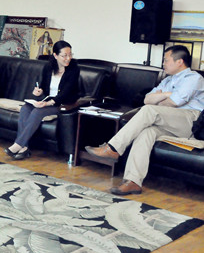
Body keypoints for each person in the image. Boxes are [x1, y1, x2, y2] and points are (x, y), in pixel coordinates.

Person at [85, 45, 204, 195]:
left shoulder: (194, 78)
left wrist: (161, 98)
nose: (163, 63)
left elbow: (174, 102)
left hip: (191, 122)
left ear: (179, 61)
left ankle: (113, 148)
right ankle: (133, 181)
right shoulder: (168, 80)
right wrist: (167, 94)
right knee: (147, 132)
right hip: (169, 121)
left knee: (149, 111)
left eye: (166, 60)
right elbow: (147, 99)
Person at [5, 40, 79, 160]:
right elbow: (44, 87)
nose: (68, 58)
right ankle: (24, 148)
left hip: (62, 104)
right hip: (47, 101)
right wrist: (39, 91)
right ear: (55, 55)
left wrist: (48, 103)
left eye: (70, 54)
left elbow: (66, 93)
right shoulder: (48, 67)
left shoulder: (74, 69)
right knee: (25, 108)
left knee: (37, 111)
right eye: (64, 55)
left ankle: (18, 144)